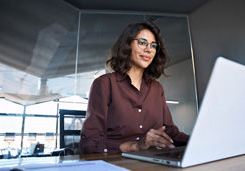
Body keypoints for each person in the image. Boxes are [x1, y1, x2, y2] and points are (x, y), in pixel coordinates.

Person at [80, 22, 189, 154]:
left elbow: (170, 132)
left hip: (152, 162)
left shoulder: (157, 88)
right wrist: (135, 146)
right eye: (142, 42)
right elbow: (89, 143)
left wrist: (198, 140)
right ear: (127, 45)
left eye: (153, 46)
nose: (148, 49)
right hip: (115, 162)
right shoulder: (105, 84)